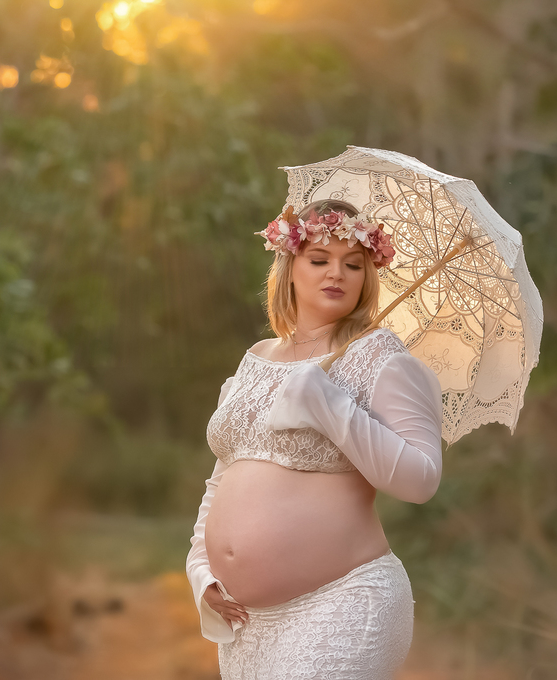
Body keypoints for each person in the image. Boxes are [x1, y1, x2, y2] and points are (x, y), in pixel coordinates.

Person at [185, 198, 445, 679]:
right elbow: (224, 477)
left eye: (354, 264)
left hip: (342, 600)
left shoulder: (379, 355)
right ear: (289, 267)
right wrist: (200, 566)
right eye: (320, 260)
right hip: (248, 624)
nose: (337, 274)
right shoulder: (257, 357)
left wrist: (330, 404)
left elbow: (422, 479)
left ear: (368, 276)